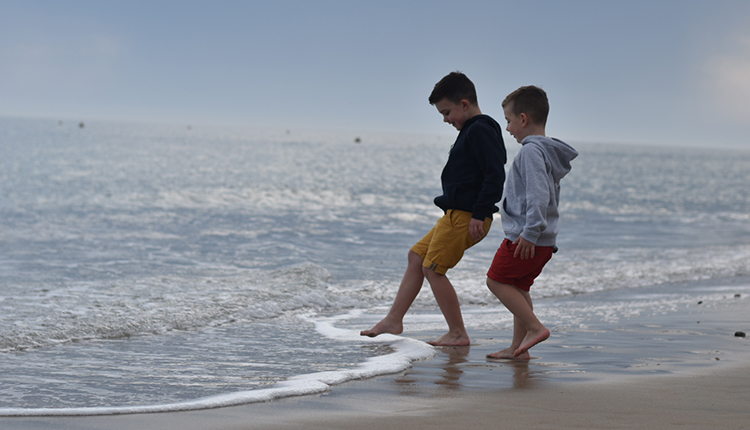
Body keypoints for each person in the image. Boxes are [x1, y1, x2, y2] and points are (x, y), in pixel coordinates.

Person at [360, 72, 506, 346]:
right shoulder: (471, 130)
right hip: (454, 215)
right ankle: (394, 319)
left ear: (465, 104)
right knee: (417, 256)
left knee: (434, 270)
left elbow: (495, 175)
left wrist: (480, 212)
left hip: (467, 216)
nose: (445, 119)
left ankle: (458, 333)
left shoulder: (480, 130)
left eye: (447, 112)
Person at [485, 85, 578, 359]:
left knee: (496, 281)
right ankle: (518, 348)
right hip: (543, 240)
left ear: (523, 119)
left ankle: (535, 328)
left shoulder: (530, 152)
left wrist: (529, 232)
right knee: (518, 287)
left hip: (528, 237)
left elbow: (539, 195)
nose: (508, 128)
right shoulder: (546, 152)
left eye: (509, 121)